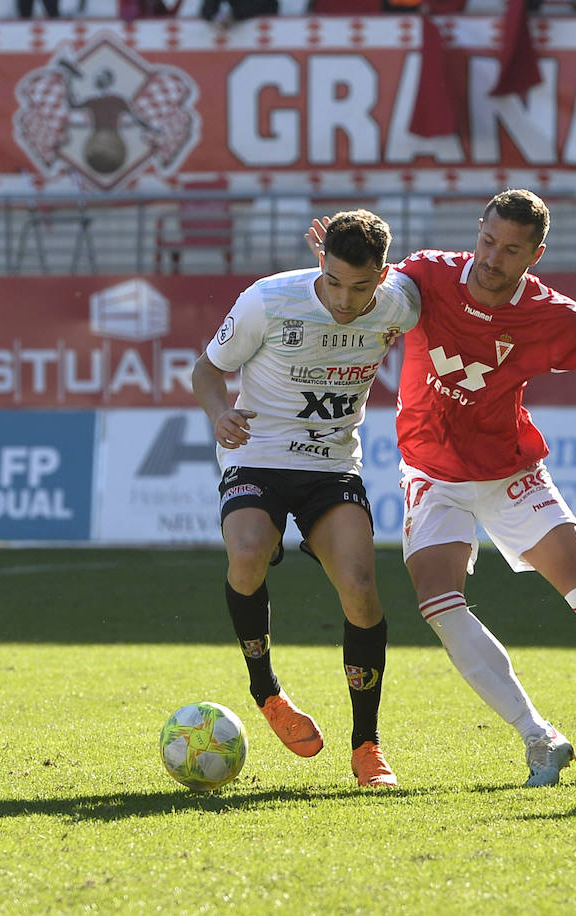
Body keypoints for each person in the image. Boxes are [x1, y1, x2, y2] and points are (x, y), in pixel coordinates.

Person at [309, 189, 576, 787]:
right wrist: (340, 265)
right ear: (477, 231)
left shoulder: (553, 317)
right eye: (488, 241)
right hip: (432, 476)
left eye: (511, 250)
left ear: (535, 255)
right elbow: (368, 299)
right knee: (437, 601)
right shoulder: (428, 276)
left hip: (511, 474)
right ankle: (539, 737)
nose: (492, 258)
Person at [191, 209, 420, 788]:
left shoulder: (401, 304)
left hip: (331, 464)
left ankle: (366, 745)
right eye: (335, 280)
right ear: (320, 260)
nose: (345, 299)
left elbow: (453, 292)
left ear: (383, 274)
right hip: (257, 453)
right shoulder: (268, 300)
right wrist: (220, 414)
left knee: (362, 590)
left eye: (361, 286)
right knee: (245, 553)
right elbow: (206, 369)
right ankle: (265, 689)